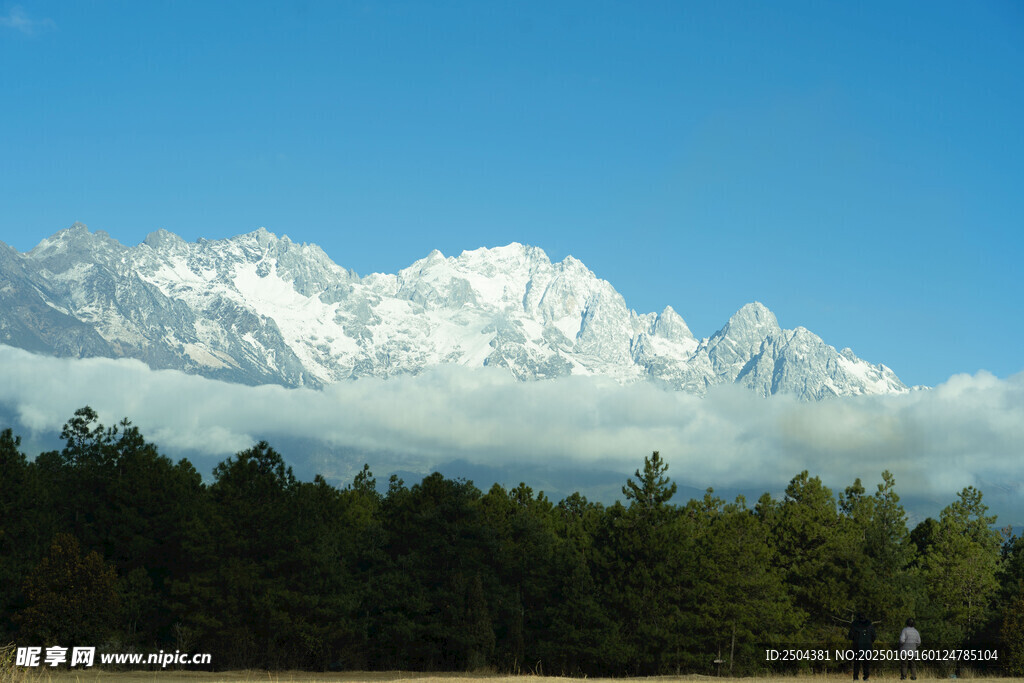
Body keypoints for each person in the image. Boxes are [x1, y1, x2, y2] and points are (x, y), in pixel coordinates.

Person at [849, 613, 876, 681]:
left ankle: (855, 677)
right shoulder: (870, 625)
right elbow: (874, 636)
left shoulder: (854, 625)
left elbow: (850, 636)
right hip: (867, 646)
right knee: (866, 663)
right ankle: (866, 677)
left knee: (856, 663)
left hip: (857, 646)